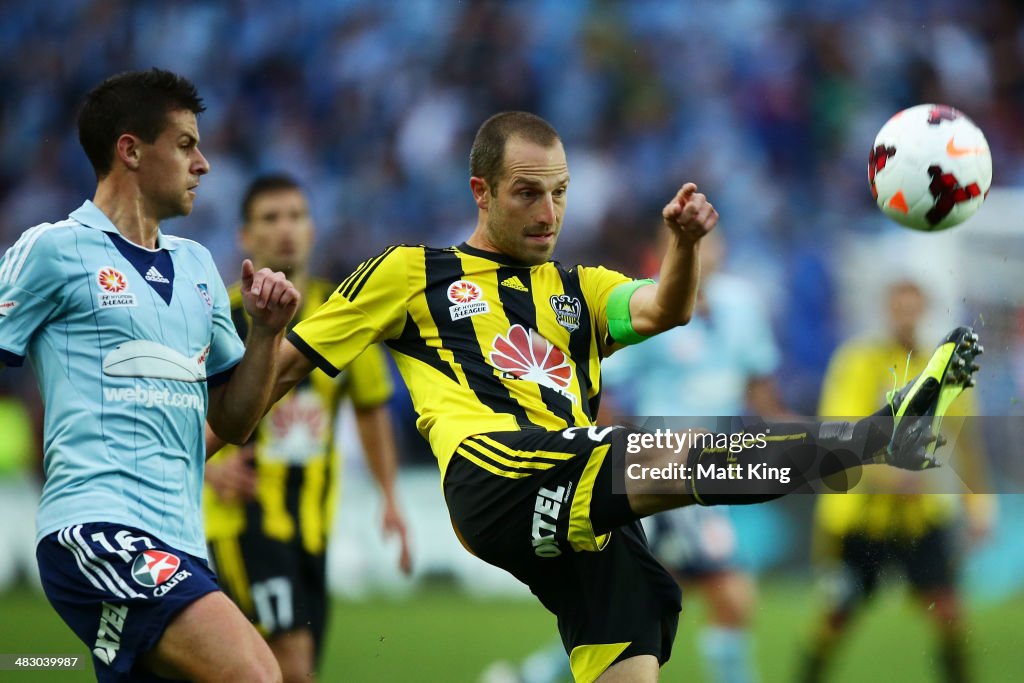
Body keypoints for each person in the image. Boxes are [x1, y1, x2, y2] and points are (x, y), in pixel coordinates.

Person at [266, 111, 980, 683]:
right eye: (527, 192)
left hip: (571, 491)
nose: (550, 211)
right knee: (682, 458)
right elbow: (288, 364)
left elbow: (663, 311)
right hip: (498, 471)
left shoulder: (583, 288)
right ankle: (876, 437)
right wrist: (210, 433)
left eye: (561, 191)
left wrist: (684, 245)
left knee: (633, 634)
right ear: (481, 191)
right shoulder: (411, 272)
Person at [0, 68, 301, 682]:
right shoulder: (54, 248)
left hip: (183, 544)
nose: (205, 164)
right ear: (131, 150)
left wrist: (266, 334)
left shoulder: (196, 267)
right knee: (259, 675)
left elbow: (234, 421)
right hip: (96, 530)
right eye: (187, 144)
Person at [480, 231, 785, 683]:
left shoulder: (742, 306)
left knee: (635, 600)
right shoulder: (649, 304)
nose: (709, 251)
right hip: (662, 471)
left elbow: (761, 393)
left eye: (715, 241)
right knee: (731, 593)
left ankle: (534, 675)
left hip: (716, 470)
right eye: (696, 244)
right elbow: (603, 390)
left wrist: (804, 443)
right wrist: (616, 452)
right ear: (670, 248)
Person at [203, 173, 412, 683]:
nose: (286, 229)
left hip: (313, 528)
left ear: (313, 228)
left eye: (296, 216)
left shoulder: (343, 314)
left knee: (281, 668)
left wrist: (390, 497)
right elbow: (174, 406)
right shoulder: (219, 313)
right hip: (245, 520)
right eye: (271, 218)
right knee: (291, 667)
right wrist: (206, 473)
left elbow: (370, 408)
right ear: (244, 237)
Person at [800, 279, 994, 683]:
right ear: (886, 310)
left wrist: (980, 505)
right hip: (860, 517)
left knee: (949, 613)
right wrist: (892, 476)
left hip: (919, 516)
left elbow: (968, 443)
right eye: (898, 307)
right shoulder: (856, 363)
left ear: (923, 311)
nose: (906, 316)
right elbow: (837, 438)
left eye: (913, 308)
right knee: (837, 615)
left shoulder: (945, 365)